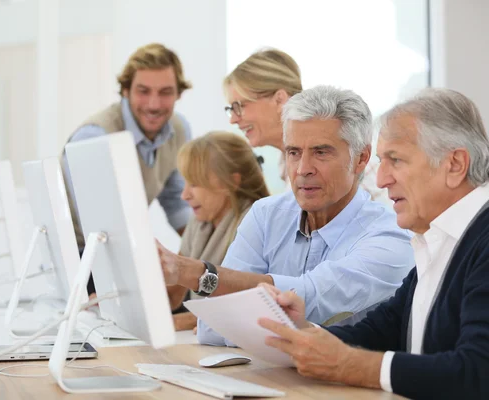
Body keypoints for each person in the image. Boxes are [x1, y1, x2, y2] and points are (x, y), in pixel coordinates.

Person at [258, 88, 489, 399]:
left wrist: (353, 366)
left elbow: (477, 373)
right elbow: (384, 330)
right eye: (381, 161)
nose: (380, 179)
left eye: (395, 160)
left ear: (455, 164)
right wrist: (303, 332)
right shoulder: (438, 239)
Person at [157, 85, 414, 345]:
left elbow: (309, 298)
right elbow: (215, 328)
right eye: (294, 152)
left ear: (361, 158)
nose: (303, 169)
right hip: (264, 376)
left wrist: (194, 273)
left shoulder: (391, 233)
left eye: (321, 152)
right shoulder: (266, 215)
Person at [61, 43, 193, 295]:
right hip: (82, 259)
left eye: (165, 92)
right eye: (143, 91)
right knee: (177, 297)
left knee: (199, 290)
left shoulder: (179, 129)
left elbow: (177, 205)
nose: (154, 104)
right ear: (125, 91)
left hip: (122, 253)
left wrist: (206, 255)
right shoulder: (95, 136)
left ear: (178, 94)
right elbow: (100, 226)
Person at [225, 49, 390, 205]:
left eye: (239, 106)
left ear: (279, 100)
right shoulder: (284, 163)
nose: (233, 119)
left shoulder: (346, 157)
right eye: (294, 153)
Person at [165, 131, 270, 331]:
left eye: (194, 184)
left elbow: (246, 305)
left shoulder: (255, 223)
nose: (184, 195)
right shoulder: (199, 222)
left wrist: (176, 322)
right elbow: (172, 294)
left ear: (232, 181)